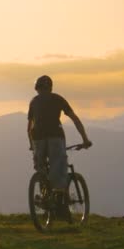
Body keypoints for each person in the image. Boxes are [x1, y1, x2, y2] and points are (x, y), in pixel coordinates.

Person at [27, 75, 92, 220]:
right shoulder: (58, 99)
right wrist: (85, 139)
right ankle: (61, 206)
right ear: (50, 87)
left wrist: (32, 145)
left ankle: (46, 199)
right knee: (59, 169)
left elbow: (29, 127)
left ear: (37, 88)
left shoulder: (34, 101)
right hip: (55, 137)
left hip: (37, 138)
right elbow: (74, 118)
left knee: (41, 170)